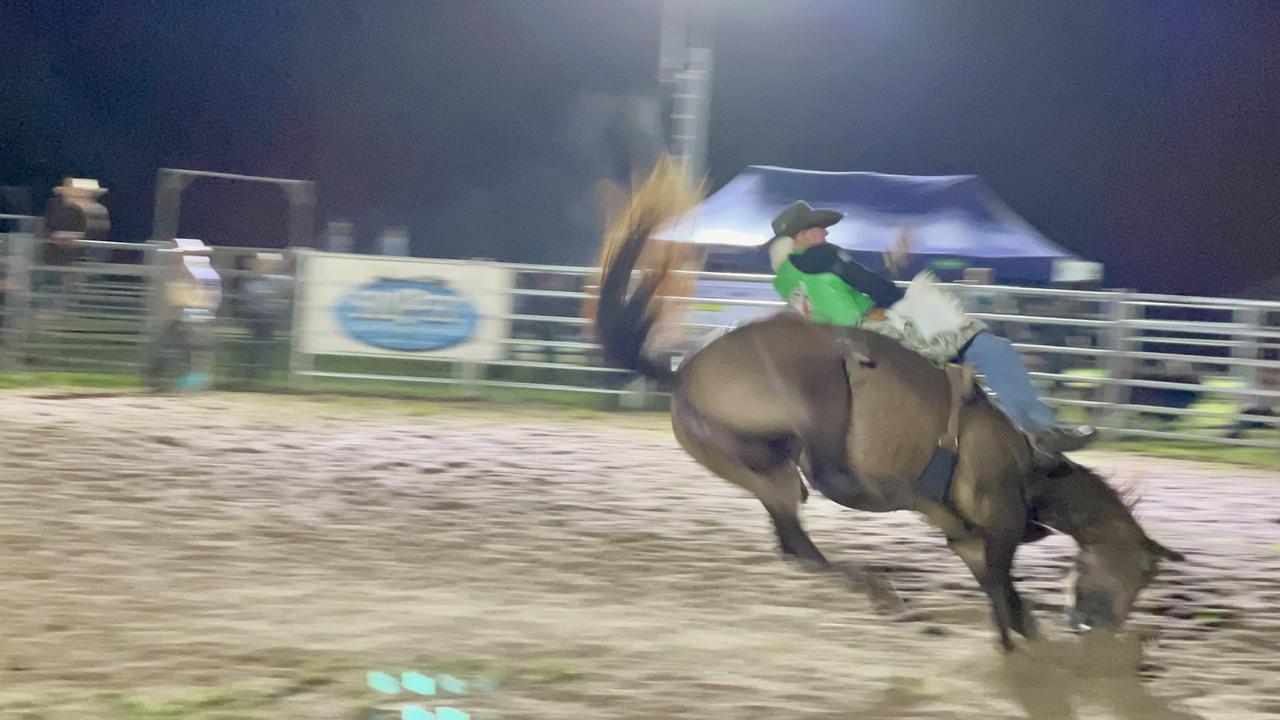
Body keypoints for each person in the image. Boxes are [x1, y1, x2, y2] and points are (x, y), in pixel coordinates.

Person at [766, 200, 1095, 454]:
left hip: (839, 345)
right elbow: (871, 286)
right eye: (819, 229)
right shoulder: (824, 254)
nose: (825, 233)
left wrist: (888, 265)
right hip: (872, 331)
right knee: (990, 350)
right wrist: (903, 303)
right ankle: (1039, 430)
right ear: (802, 235)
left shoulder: (784, 280)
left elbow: (837, 292)